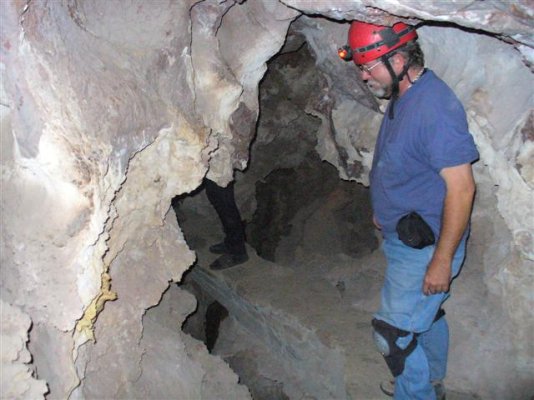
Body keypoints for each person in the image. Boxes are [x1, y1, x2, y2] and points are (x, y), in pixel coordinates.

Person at [339, 22, 479, 399]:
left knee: (392, 334)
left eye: (369, 67)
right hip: (405, 236)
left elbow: (463, 188)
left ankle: (415, 393)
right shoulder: (405, 93)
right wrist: (384, 210)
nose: (363, 76)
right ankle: (430, 380)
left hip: (427, 247)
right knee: (426, 315)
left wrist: (443, 260)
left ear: (398, 58)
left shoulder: (435, 109)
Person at [204, 178, 248, 270]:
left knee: (226, 205)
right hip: (214, 169)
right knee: (215, 196)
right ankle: (231, 242)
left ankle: (238, 252)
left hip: (222, 167)